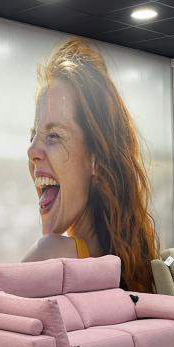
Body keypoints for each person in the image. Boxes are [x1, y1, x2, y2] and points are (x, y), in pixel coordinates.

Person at [23, 38, 158, 293]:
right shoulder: (125, 264)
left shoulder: (51, 255)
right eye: (33, 135)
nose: (31, 151)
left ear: (96, 158)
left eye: (53, 136)